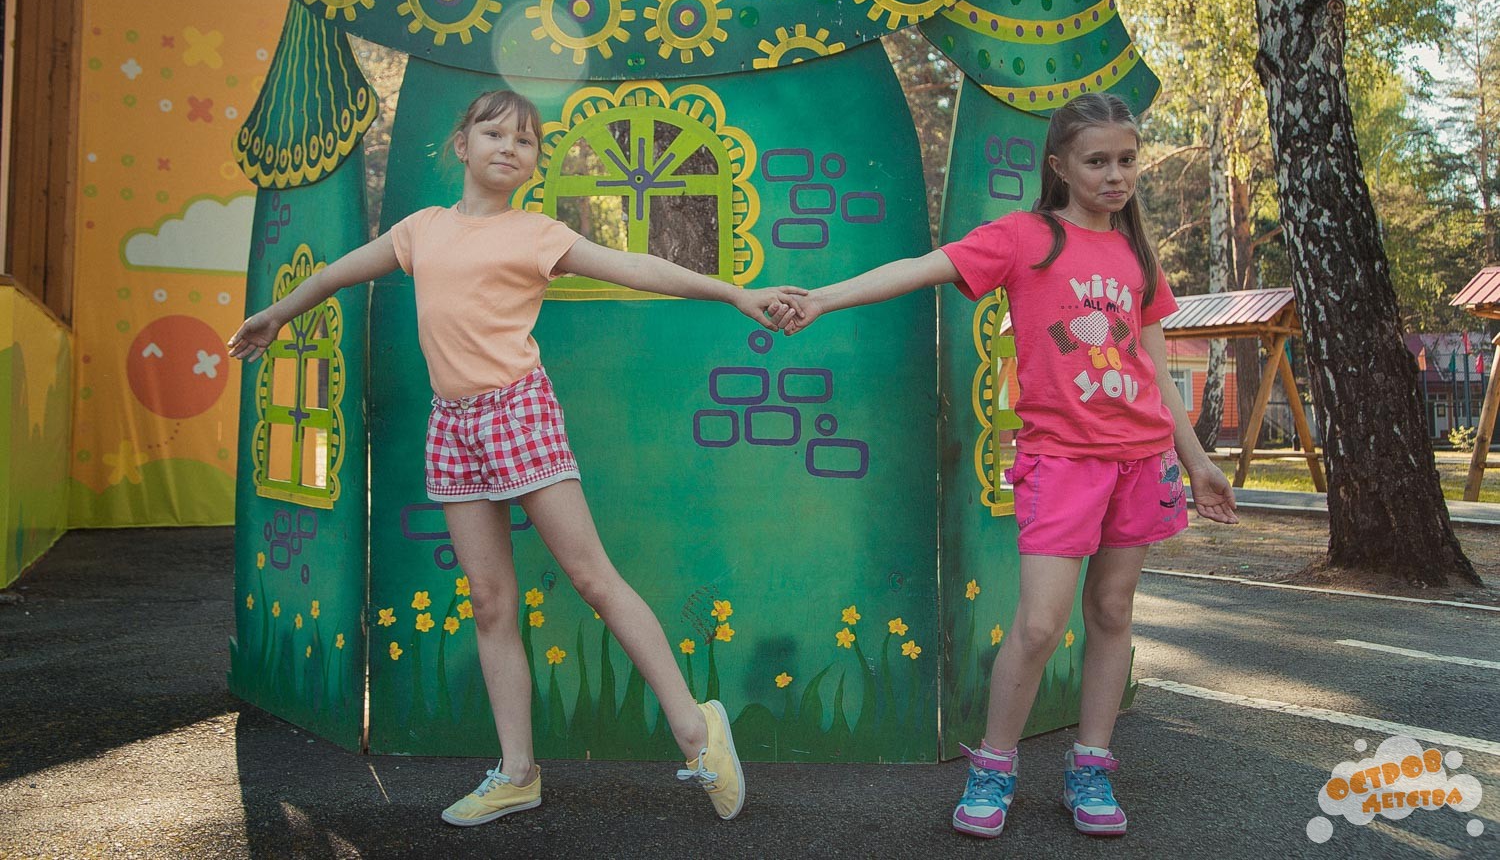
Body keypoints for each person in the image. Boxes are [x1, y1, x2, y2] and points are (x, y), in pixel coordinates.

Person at [229, 89, 805, 826]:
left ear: (534, 163)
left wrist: (734, 294)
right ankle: (517, 773)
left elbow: (635, 266)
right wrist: (277, 315)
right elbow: (338, 271)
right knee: (490, 600)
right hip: (452, 423)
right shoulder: (420, 230)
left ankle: (697, 729)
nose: (509, 146)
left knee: (592, 578)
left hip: (517, 413)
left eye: (525, 140)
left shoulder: (538, 234)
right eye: (493, 132)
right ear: (462, 145)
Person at [770, 91, 1238, 839]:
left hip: (1140, 459)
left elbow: (1152, 369)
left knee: (1112, 611)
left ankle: (1092, 767)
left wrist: (1198, 461)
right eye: (1097, 161)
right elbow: (921, 267)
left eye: (1127, 160)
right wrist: (823, 299)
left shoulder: (1137, 255)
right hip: (1062, 460)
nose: (1115, 175)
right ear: (1060, 166)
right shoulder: (1026, 238)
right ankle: (993, 767)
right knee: (1041, 623)